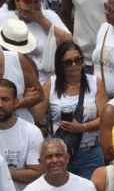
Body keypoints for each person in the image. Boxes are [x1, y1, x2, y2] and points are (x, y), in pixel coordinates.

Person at [41, 41, 103, 179]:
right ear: (60, 65)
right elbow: (38, 117)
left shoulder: (95, 83)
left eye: (78, 60)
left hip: (90, 152)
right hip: (60, 156)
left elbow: (104, 118)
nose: (74, 65)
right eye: (68, 62)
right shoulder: (51, 84)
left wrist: (82, 127)